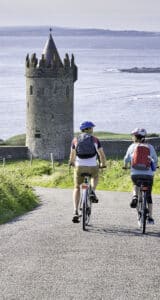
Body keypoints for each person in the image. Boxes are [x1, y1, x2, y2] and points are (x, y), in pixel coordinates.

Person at [69, 121, 106, 223]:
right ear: (88, 129)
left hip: (79, 167)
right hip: (92, 166)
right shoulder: (95, 140)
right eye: (91, 128)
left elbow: (72, 155)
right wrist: (103, 164)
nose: (92, 130)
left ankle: (75, 211)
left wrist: (72, 163)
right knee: (95, 176)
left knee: (77, 187)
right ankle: (92, 191)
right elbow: (101, 155)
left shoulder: (75, 140)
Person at [123, 128, 158, 224]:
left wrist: (125, 166)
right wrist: (155, 166)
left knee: (135, 185)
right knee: (149, 195)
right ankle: (150, 217)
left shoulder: (132, 146)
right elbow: (155, 159)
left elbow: (126, 159)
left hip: (135, 174)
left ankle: (135, 197)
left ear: (135, 137)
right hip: (148, 175)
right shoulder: (150, 146)